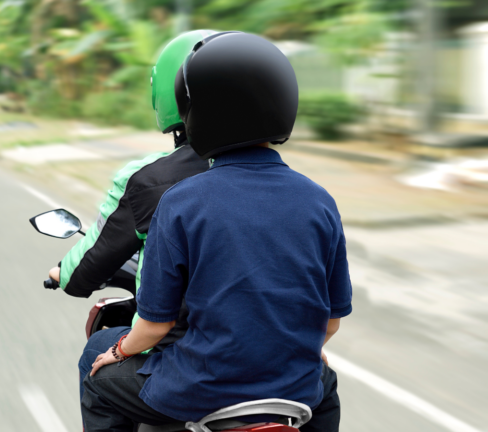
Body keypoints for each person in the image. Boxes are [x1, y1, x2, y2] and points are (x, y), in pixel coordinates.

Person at [79, 32, 352, 432]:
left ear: (198, 112)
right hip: (291, 389)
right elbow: (330, 322)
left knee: (96, 363)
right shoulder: (320, 201)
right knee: (325, 390)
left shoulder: (181, 201)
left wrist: (118, 351)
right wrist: (302, 356)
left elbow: (154, 326)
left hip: (199, 389)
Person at [47, 30, 214, 300]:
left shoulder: (147, 181)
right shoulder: (302, 191)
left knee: (102, 342)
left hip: (179, 339)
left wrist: (63, 273)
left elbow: (84, 272)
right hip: (291, 340)